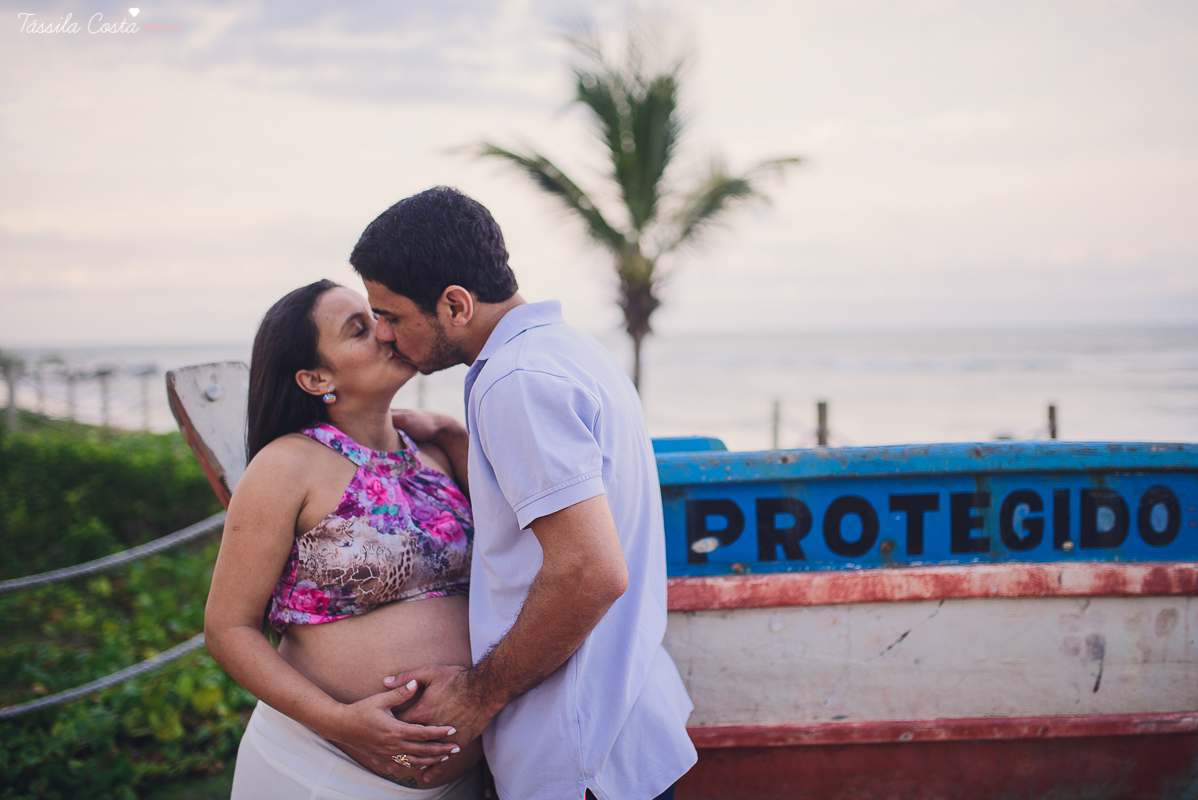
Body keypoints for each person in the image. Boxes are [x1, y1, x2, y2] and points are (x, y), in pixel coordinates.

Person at [349, 186, 698, 800]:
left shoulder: (516, 380)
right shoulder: (564, 352)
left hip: (577, 756)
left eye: (393, 316)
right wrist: (459, 441)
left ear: (456, 304)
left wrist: (476, 697)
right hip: (614, 733)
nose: (383, 334)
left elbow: (589, 571)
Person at [204, 279, 485, 799]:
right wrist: (339, 719)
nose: (385, 332)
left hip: (451, 779)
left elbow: (522, 538)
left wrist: (450, 432)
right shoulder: (287, 465)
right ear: (316, 378)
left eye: (377, 317)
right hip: (321, 769)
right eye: (359, 329)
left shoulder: (437, 457)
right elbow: (228, 628)